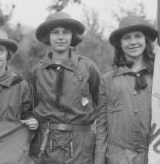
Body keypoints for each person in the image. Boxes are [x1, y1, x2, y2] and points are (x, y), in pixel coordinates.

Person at [28, 12, 105, 164]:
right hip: (46, 145)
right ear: (48, 37)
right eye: (55, 32)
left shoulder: (88, 67)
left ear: (72, 36)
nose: (60, 37)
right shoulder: (37, 70)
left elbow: (101, 105)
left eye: (65, 32)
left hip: (81, 146)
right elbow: (31, 106)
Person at [97, 16, 159, 164]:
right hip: (119, 157)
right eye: (127, 38)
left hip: (156, 155)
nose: (133, 42)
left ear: (146, 41)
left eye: (138, 36)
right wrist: (99, 160)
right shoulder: (108, 80)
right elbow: (102, 126)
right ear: (120, 44)